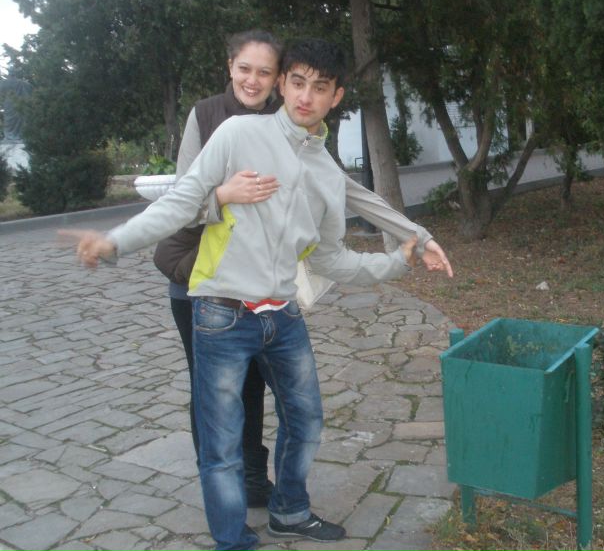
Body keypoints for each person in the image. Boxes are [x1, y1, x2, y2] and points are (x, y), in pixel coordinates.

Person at [62, 38, 431, 551]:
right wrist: (114, 241)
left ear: (336, 97)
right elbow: (181, 201)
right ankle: (233, 541)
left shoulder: (325, 170)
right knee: (222, 444)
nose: (305, 96)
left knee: (306, 421)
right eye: (297, 83)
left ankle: (290, 512)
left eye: (319, 87)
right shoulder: (238, 133)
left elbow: (329, 259)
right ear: (282, 84)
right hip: (221, 314)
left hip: (283, 316)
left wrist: (398, 260)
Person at [151, 30, 453, 509]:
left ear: (278, 79)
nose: (253, 80)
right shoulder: (209, 116)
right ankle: (227, 492)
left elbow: (348, 191)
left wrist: (415, 232)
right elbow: (182, 202)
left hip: (261, 289)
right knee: (215, 396)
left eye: (264, 72)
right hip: (195, 277)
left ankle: (253, 481)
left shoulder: (295, 127)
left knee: (257, 387)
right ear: (230, 68)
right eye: (244, 69)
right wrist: (224, 195)